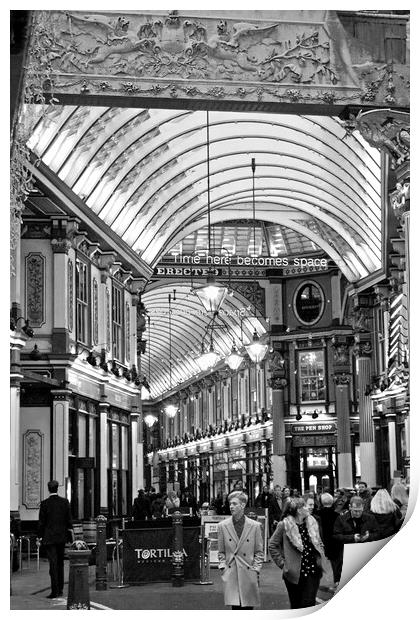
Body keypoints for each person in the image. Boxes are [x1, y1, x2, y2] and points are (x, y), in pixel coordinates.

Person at [269, 497, 326, 609]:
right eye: (305, 506)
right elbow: (272, 545)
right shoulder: (284, 525)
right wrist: (283, 564)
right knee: (296, 606)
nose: (309, 508)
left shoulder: (312, 522)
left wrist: (320, 549)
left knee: (309, 604)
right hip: (294, 574)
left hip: (313, 571)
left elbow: (318, 541)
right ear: (299, 510)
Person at [217, 491, 264, 610]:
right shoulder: (222, 526)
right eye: (230, 504)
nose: (231, 506)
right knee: (235, 610)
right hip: (232, 573)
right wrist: (223, 567)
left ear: (242, 505)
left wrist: (256, 569)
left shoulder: (255, 526)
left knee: (248, 610)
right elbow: (221, 551)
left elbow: (259, 551)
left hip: (248, 573)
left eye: (234, 503)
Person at [38, 480, 73, 599]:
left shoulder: (44, 504)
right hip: (61, 537)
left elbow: (41, 523)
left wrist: (39, 537)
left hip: (49, 537)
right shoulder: (64, 502)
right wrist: (69, 534)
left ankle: (54, 590)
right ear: (57, 488)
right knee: (60, 563)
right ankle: (61, 589)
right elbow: (69, 520)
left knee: (53, 563)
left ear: (49, 489)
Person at [318, 493, 343, 588]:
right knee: (337, 561)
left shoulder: (318, 514)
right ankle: (337, 580)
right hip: (335, 541)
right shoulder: (337, 515)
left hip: (323, 540)